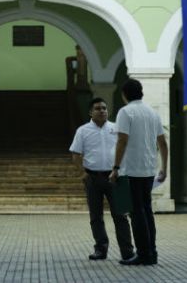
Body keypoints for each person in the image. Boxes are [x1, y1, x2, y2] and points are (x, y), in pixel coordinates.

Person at [110, 78, 168, 266]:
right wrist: (164, 168)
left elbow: (122, 141)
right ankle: (152, 252)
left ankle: (143, 254)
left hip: (131, 170)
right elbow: (162, 143)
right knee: (147, 211)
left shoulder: (126, 112)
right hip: (148, 170)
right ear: (141, 92)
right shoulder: (152, 113)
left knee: (136, 213)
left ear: (124, 94)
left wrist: (116, 167)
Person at [69, 97, 134, 261]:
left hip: (116, 177)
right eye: (98, 108)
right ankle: (100, 249)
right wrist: (82, 174)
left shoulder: (116, 128)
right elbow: (75, 154)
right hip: (93, 178)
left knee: (121, 216)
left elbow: (126, 149)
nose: (102, 111)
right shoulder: (82, 131)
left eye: (104, 108)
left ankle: (127, 251)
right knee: (96, 217)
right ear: (90, 112)